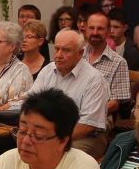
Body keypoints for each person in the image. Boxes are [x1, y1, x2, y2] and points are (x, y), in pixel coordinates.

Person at [30, 29, 110, 159]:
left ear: (80, 53)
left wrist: (54, 139)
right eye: (57, 49)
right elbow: (31, 103)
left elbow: (88, 124)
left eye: (66, 50)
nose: (59, 55)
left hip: (84, 136)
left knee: (59, 155)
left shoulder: (94, 79)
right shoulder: (48, 70)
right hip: (46, 131)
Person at [82, 11, 131, 119]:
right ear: (85, 30)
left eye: (100, 28)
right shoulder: (77, 56)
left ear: (108, 31)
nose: (95, 32)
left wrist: (87, 115)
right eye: (91, 28)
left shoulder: (119, 62)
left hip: (101, 118)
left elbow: (115, 104)